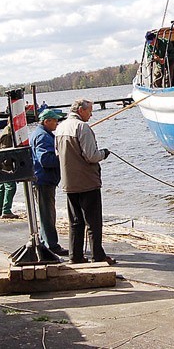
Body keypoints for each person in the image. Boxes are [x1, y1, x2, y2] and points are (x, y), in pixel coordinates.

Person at [54, 99, 116, 265]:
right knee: (93, 222)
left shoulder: (60, 127)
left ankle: (76, 256)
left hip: (69, 182)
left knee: (75, 221)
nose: (91, 114)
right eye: (90, 110)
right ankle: (98, 255)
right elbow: (91, 156)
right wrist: (104, 153)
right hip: (87, 182)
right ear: (81, 110)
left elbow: (58, 154)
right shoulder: (82, 127)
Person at [29, 109, 68, 256]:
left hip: (43, 179)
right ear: (47, 121)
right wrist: (64, 155)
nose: (57, 123)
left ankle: (48, 242)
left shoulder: (42, 134)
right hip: (43, 180)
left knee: (47, 213)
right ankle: (51, 245)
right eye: (55, 121)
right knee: (47, 214)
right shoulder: (42, 136)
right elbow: (45, 160)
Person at [0, 120, 19, 219]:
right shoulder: (8, 134)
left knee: (2, 187)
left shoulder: (6, 131)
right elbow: (5, 151)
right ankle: (6, 210)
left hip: (3, 165)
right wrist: (9, 166)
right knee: (10, 186)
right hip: (5, 166)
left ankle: (2, 209)